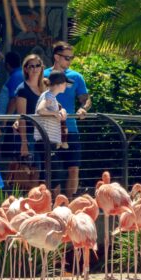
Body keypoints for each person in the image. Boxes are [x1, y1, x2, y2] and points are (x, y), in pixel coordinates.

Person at [44, 41, 91, 196]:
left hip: (70, 128)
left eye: (72, 58)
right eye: (67, 58)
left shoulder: (76, 77)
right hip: (49, 129)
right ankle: (54, 205)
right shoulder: (43, 75)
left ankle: (69, 203)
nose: (70, 61)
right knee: (53, 170)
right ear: (56, 57)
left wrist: (83, 108)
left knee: (73, 168)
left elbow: (86, 98)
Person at [33, 71, 70, 194]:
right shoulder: (48, 96)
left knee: (51, 172)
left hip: (48, 141)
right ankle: (44, 197)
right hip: (46, 141)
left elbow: (57, 108)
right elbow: (40, 110)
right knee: (55, 172)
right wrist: (54, 113)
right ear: (60, 84)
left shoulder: (49, 96)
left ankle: (45, 197)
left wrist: (61, 110)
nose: (66, 86)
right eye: (65, 84)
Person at [12, 54, 44, 166]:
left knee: (46, 174)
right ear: (25, 69)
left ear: (41, 67)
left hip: (43, 136)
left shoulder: (44, 87)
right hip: (29, 136)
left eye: (37, 65)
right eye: (31, 66)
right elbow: (22, 118)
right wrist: (24, 142)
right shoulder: (22, 89)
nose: (35, 69)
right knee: (30, 173)